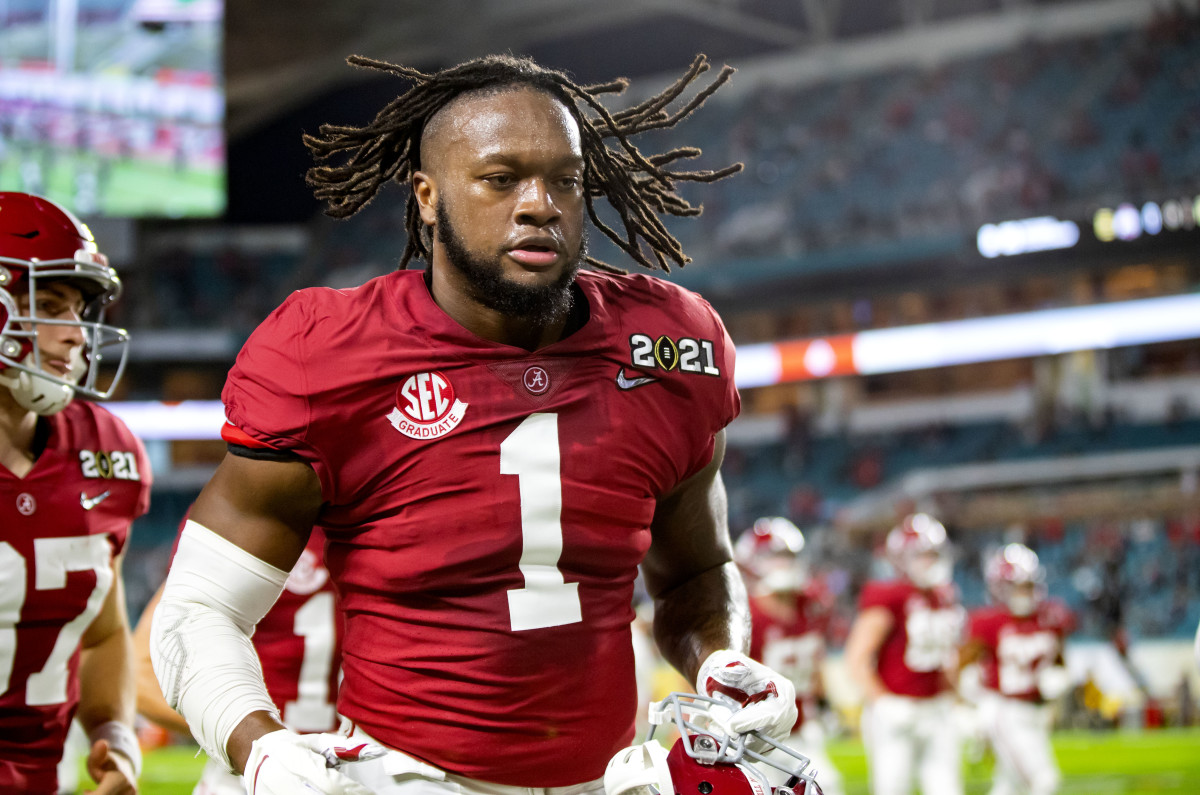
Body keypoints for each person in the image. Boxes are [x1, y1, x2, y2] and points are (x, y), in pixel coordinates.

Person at [149, 53, 798, 794]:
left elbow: (695, 574)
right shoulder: (328, 353)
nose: (540, 204)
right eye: (501, 179)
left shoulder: (671, 345)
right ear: (427, 196)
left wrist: (720, 657)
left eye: (566, 180)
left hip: (608, 778)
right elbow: (199, 610)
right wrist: (257, 744)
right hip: (405, 776)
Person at [0, 191, 147, 793]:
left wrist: (113, 730)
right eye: (51, 307)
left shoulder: (105, 451)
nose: (77, 338)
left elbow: (105, 631)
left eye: (79, 313)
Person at [133, 519, 340, 794]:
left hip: (357, 765)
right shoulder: (253, 510)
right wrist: (258, 740)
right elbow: (141, 675)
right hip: (247, 776)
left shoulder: (377, 515)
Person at [843, 513, 965, 795]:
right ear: (901, 557)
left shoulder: (943, 595)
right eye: (922, 554)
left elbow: (945, 658)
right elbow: (857, 657)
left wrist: (958, 698)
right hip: (896, 709)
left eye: (933, 553)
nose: (930, 561)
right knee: (892, 788)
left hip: (936, 709)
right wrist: (882, 702)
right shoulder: (889, 594)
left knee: (947, 788)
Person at [735, 517, 844, 795]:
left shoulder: (811, 605)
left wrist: (824, 703)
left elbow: (815, 661)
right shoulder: (744, 617)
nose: (783, 563)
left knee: (824, 785)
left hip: (800, 726)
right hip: (757, 732)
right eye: (774, 556)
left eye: (787, 556)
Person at [960, 544, 1074, 795]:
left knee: (1008, 787)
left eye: (1029, 585)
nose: (1025, 592)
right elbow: (960, 668)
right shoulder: (987, 622)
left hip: (1036, 712)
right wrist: (972, 708)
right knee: (1044, 780)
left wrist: (1059, 679)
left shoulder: (1049, 618)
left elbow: (1059, 663)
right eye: (1018, 586)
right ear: (1000, 587)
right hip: (1006, 712)